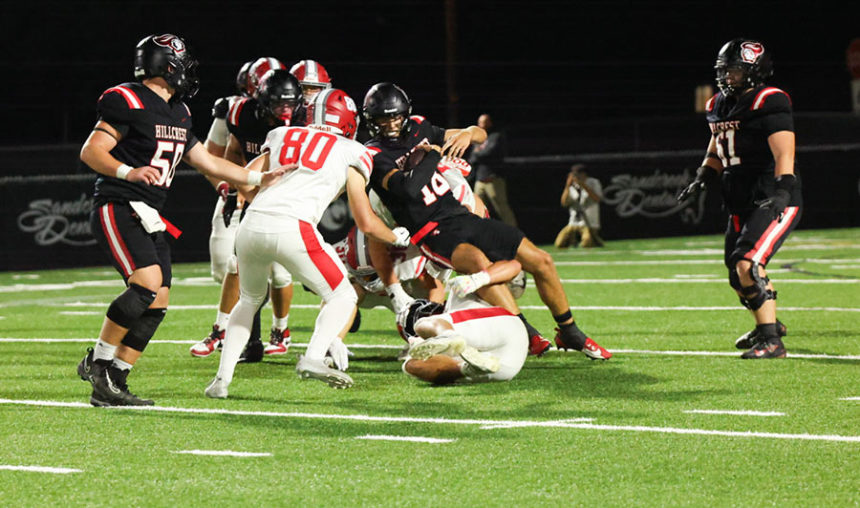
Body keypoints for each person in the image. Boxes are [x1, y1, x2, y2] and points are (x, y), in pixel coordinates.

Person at [75, 34, 285, 407]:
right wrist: (128, 171)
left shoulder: (179, 111)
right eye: (183, 64)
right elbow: (92, 151)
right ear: (168, 65)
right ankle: (100, 364)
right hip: (118, 203)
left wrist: (255, 178)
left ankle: (116, 379)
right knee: (146, 284)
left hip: (150, 213)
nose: (187, 72)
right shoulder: (128, 99)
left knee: (158, 301)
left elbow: (206, 161)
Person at [362, 82, 611, 361]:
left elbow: (480, 135)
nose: (392, 124)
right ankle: (527, 333)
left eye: (395, 116)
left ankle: (569, 331)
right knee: (480, 268)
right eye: (384, 118)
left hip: (461, 215)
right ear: (372, 121)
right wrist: (432, 154)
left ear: (406, 113)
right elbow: (408, 189)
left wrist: (468, 133)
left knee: (541, 260)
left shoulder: (420, 127)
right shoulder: (372, 153)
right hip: (431, 231)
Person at [204, 88, 411, 397]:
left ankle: (221, 381)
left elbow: (244, 176)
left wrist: (259, 200)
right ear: (348, 121)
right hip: (294, 228)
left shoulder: (282, 135)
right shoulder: (352, 150)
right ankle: (313, 357)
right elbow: (365, 220)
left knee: (248, 300)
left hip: (251, 225)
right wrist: (395, 236)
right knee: (342, 296)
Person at [677, 38, 801, 359]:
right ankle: (767, 324)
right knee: (737, 273)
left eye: (733, 70)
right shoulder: (717, 103)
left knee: (748, 263)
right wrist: (703, 177)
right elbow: (718, 145)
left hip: (769, 195)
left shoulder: (768, 100)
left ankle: (772, 341)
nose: (727, 77)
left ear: (754, 71)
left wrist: (782, 192)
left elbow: (784, 151)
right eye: (724, 71)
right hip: (738, 196)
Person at [189, 67, 302, 361]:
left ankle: (285, 330)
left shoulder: (302, 123)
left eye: (290, 104)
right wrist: (236, 190)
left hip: (289, 198)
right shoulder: (240, 113)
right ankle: (224, 329)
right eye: (279, 104)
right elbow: (232, 154)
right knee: (237, 263)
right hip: (254, 190)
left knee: (281, 271)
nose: (285, 111)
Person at [403, 282, 528, 385]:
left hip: (506, 347)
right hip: (504, 363)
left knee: (422, 327)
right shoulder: (460, 287)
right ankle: (466, 367)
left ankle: (448, 335)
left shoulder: (462, 290)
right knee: (410, 364)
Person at [468, 113, 518, 227]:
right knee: (476, 210)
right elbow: (472, 158)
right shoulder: (478, 139)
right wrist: (477, 155)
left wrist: (478, 154)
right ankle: (478, 237)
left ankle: (516, 236)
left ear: (489, 123)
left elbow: (488, 153)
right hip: (479, 180)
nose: (481, 125)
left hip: (493, 179)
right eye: (479, 122)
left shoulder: (495, 136)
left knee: (502, 210)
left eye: (484, 122)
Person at [555, 164, 605, 248]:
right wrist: (567, 186)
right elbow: (564, 203)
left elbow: (597, 199)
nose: (575, 177)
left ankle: (594, 240)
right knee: (559, 244)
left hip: (589, 222)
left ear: (584, 174)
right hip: (574, 221)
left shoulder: (593, 182)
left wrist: (583, 185)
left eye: (577, 174)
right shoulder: (572, 186)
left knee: (586, 243)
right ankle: (574, 240)